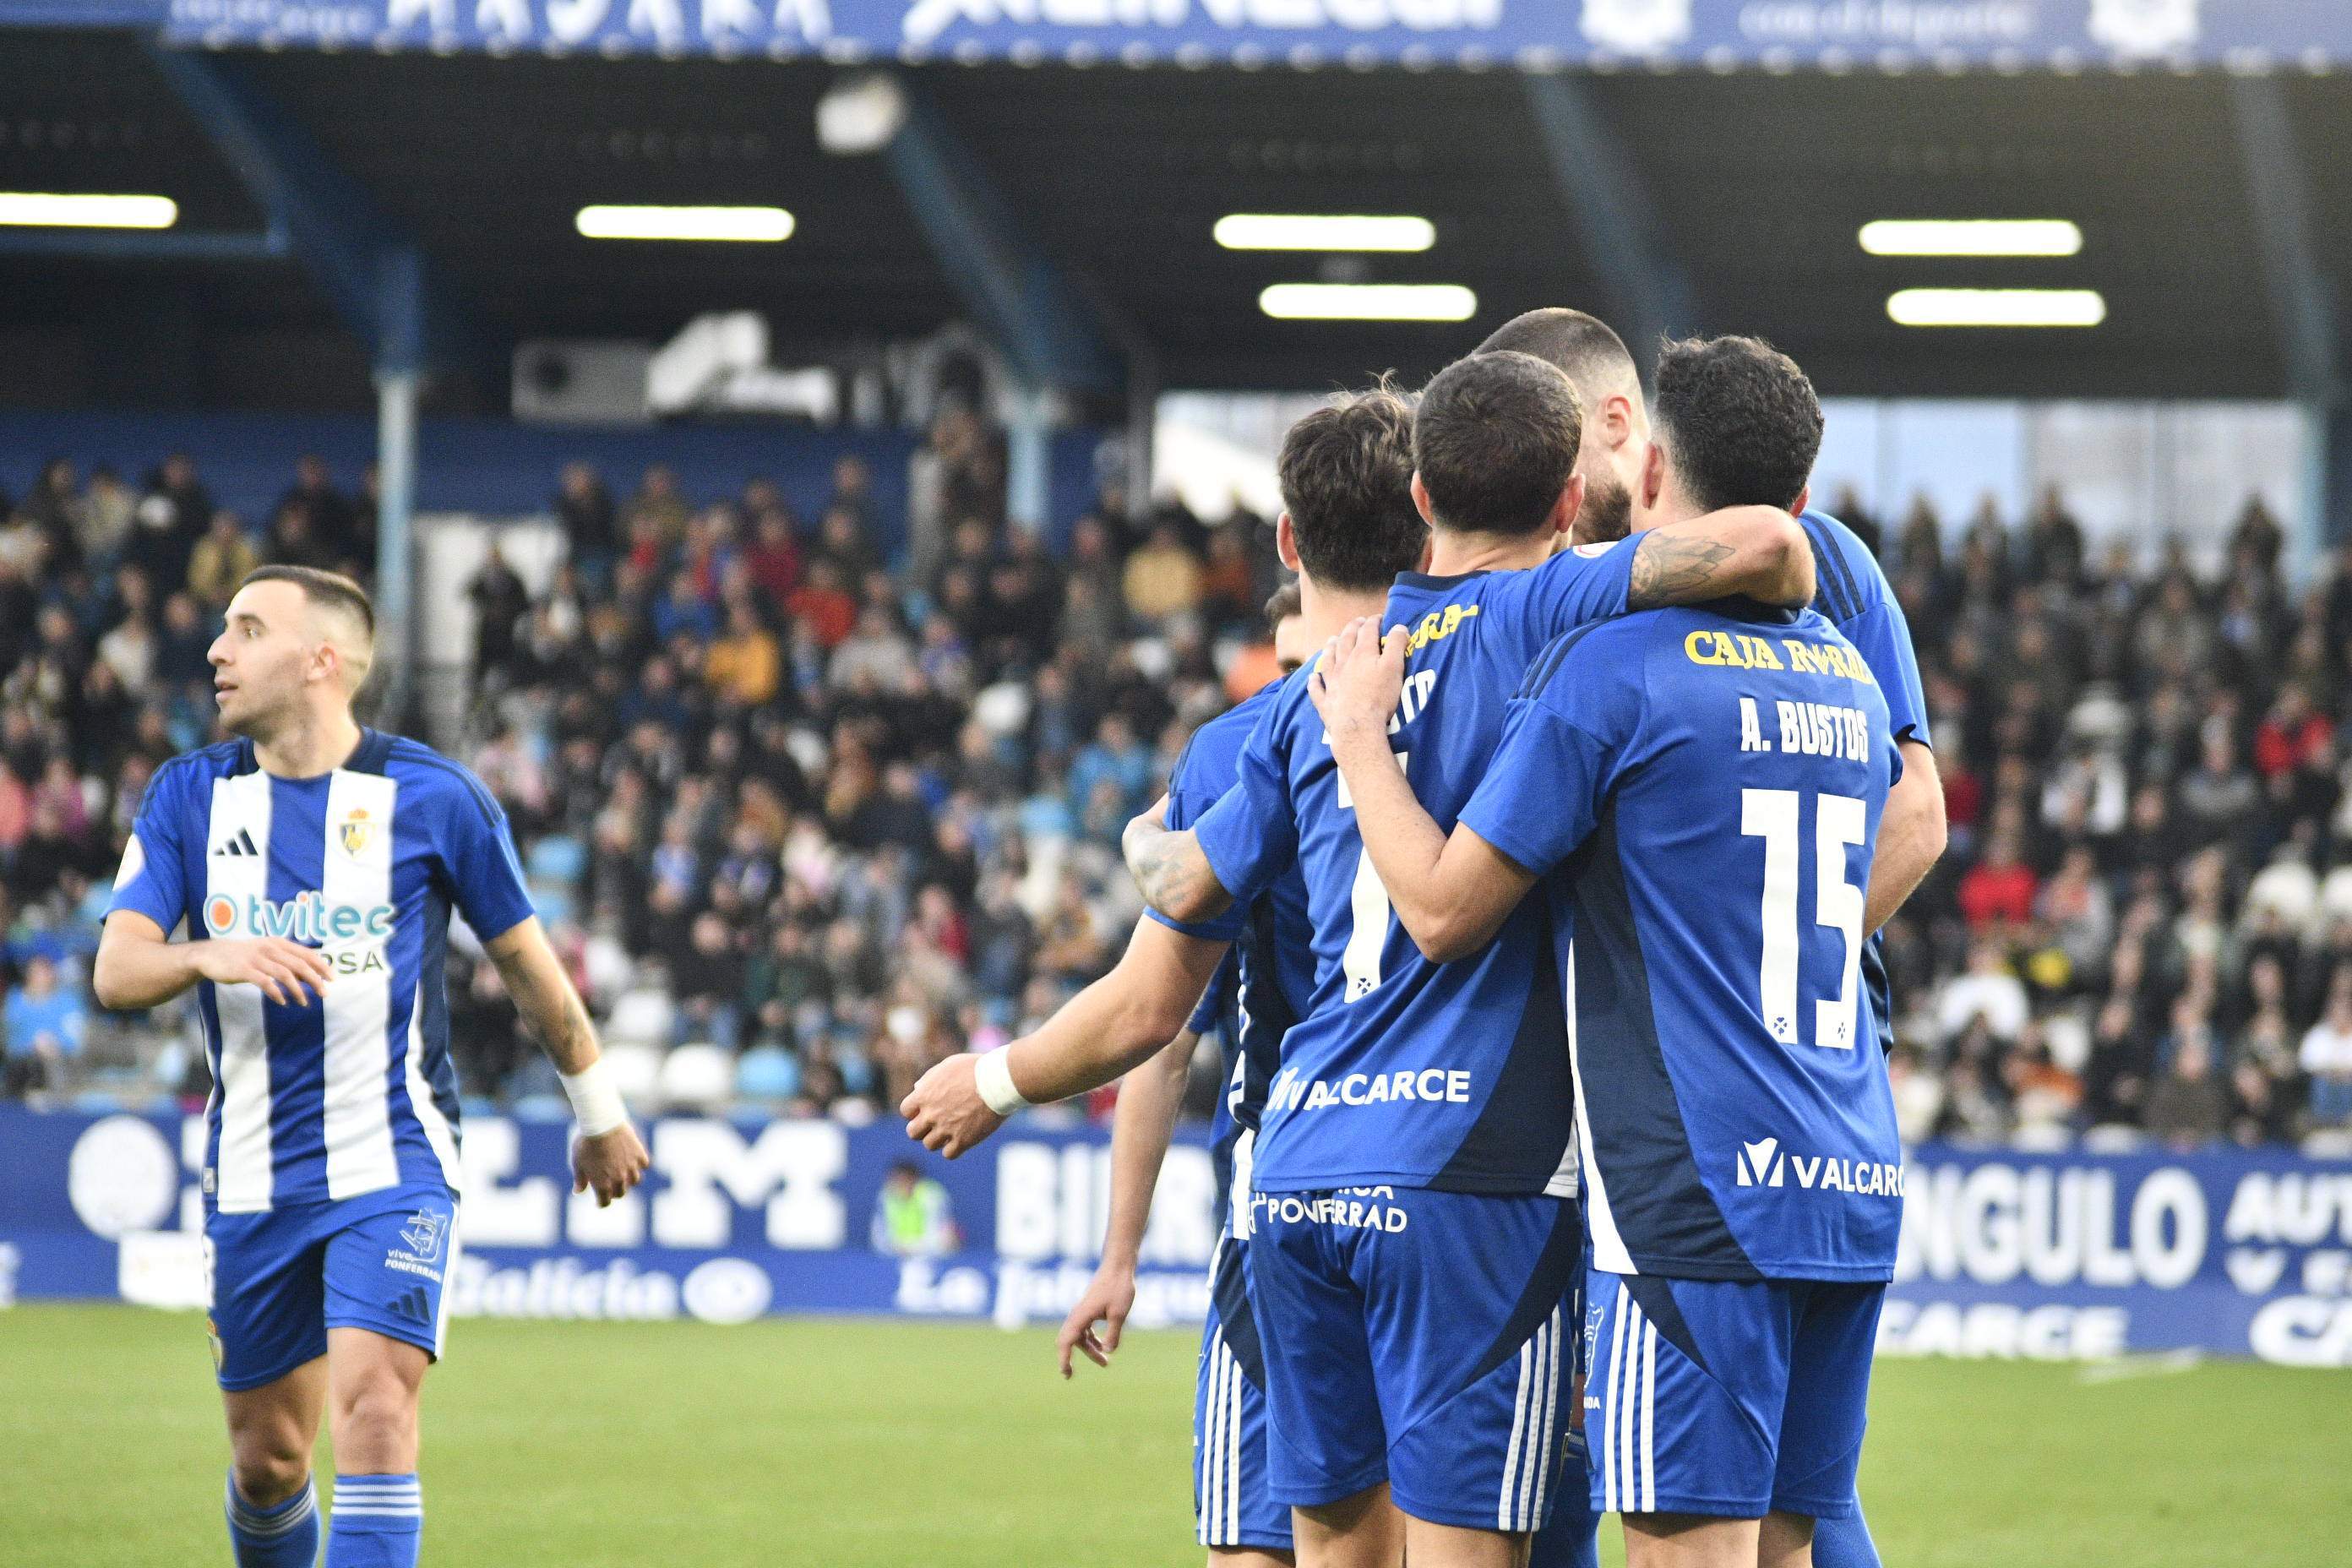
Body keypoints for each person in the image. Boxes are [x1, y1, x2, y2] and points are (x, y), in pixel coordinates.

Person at [1120, 349, 1812, 1568]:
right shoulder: (1553, 615)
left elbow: (1180, 892)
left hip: (1297, 1170)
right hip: (1479, 1180)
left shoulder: (1309, 695)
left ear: (1422, 504)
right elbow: (1762, 549)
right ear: (1564, 508)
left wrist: (1142, 839)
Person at [1308, 335, 1901, 1568]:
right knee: (1794, 1546)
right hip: (1849, 1170)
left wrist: (1362, 742)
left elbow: (1441, 908)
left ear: (1647, 468)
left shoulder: (1608, 667)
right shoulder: (1845, 672)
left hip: (1692, 1193)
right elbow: (1913, 814)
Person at [903, 389, 1435, 1568]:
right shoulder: (1508, 695)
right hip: (1479, 1197)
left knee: (1265, 1549)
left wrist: (995, 1087)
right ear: (1428, 520)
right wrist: (1121, 1252)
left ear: (1288, 542)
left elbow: (1158, 1012)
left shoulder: (1247, 747)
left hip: (1293, 1206)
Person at [1479, 309, 1942, 1568]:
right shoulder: (1812, 654)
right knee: (1749, 1508)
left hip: (1697, 1116)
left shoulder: (1815, 574)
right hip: (1802, 1131)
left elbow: (1920, 811)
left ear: (1637, 446)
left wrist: (1750, 952)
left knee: (1681, 1507)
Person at [90, 564, 651, 1568]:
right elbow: (118, 967)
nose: (217, 649)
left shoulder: (436, 798)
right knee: (268, 1458)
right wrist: (203, 952)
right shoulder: (188, 796)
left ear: (322, 661)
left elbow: (529, 966)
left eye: (246, 629)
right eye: (221, 629)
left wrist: (597, 1107)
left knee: (378, 1413)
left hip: (394, 1155)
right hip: (253, 1171)